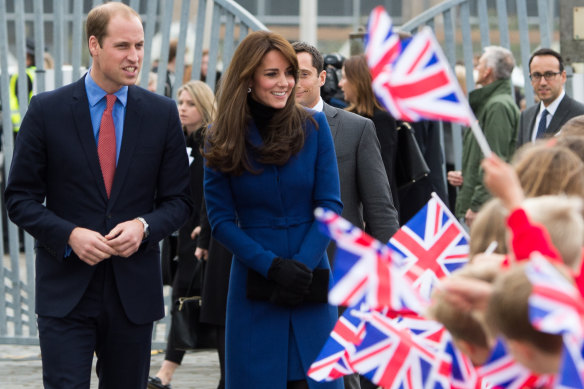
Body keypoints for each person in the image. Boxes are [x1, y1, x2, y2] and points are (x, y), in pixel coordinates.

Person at [4, 3, 192, 388]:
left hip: (132, 293)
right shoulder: (46, 110)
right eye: (123, 46)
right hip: (65, 288)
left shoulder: (161, 114)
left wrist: (143, 226)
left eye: (139, 45)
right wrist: (69, 234)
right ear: (94, 44)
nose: (135, 56)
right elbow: (19, 199)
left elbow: (180, 202)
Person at [203, 31, 343, 389]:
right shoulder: (220, 136)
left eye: (290, 72)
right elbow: (220, 221)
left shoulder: (314, 126)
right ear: (248, 78)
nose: (285, 83)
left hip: (310, 277)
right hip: (254, 282)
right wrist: (272, 266)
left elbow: (329, 206)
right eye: (272, 74)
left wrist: (301, 265)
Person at [292, 40, 399, 389]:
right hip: (284, 266)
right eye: (287, 74)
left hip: (341, 269)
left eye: (303, 74)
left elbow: (379, 206)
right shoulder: (260, 130)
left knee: (343, 371)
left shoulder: (355, 129)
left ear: (323, 77)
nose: (294, 83)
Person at [148, 80, 216, 389]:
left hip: (201, 234)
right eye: (179, 102)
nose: (181, 109)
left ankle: (165, 375)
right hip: (182, 233)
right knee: (184, 299)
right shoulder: (183, 141)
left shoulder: (210, 142)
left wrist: (207, 226)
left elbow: (212, 191)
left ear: (203, 107)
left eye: (189, 103)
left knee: (185, 299)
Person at [451, 46, 520, 227]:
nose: (476, 69)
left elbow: (494, 159)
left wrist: (478, 205)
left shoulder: (497, 106)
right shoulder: (490, 103)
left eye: (479, 65)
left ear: (488, 71)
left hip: (488, 209)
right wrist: (466, 175)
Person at [338, 54, 399, 214]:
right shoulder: (346, 117)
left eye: (344, 77)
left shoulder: (381, 119)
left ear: (358, 81)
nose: (340, 84)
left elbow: (382, 172)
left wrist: (368, 215)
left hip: (372, 214)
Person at [516, 48, 584, 147]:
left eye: (549, 74)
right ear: (530, 78)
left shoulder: (580, 114)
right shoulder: (526, 116)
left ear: (563, 77)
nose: (542, 82)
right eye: (536, 75)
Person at [9, 38, 36, 134]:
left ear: (28, 57)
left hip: (21, 126)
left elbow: (22, 100)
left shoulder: (22, 75)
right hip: (34, 124)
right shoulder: (37, 73)